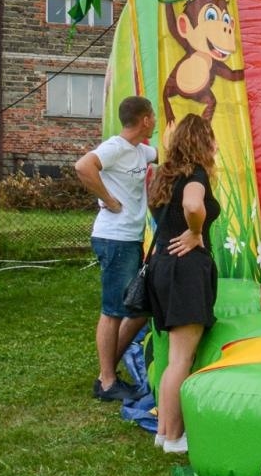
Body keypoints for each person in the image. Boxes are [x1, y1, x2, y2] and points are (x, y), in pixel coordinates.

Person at [143, 115, 221, 455]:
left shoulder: (165, 177)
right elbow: (192, 204)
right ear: (204, 143)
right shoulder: (195, 175)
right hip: (184, 271)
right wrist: (195, 231)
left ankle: (164, 431)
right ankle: (175, 438)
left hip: (161, 267)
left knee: (172, 358)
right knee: (180, 360)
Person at [74, 95, 157, 402]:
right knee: (113, 310)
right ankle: (107, 381)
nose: (156, 120)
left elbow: (165, 155)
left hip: (130, 238)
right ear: (145, 120)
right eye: (153, 116)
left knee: (138, 307)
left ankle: (106, 370)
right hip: (114, 237)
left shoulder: (139, 150)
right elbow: (83, 166)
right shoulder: (116, 147)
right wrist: (108, 200)